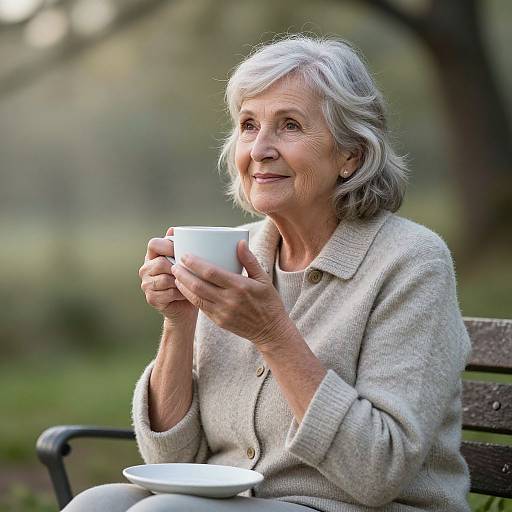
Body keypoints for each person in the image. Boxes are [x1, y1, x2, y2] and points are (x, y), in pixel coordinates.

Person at [64, 35, 471, 512]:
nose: (259, 149)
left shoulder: (410, 262)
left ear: (351, 155)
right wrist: (179, 321)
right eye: (248, 125)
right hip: (239, 503)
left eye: (290, 126)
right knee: (97, 504)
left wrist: (272, 334)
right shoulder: (237, 252)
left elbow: (377, 473)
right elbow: (173, 459)